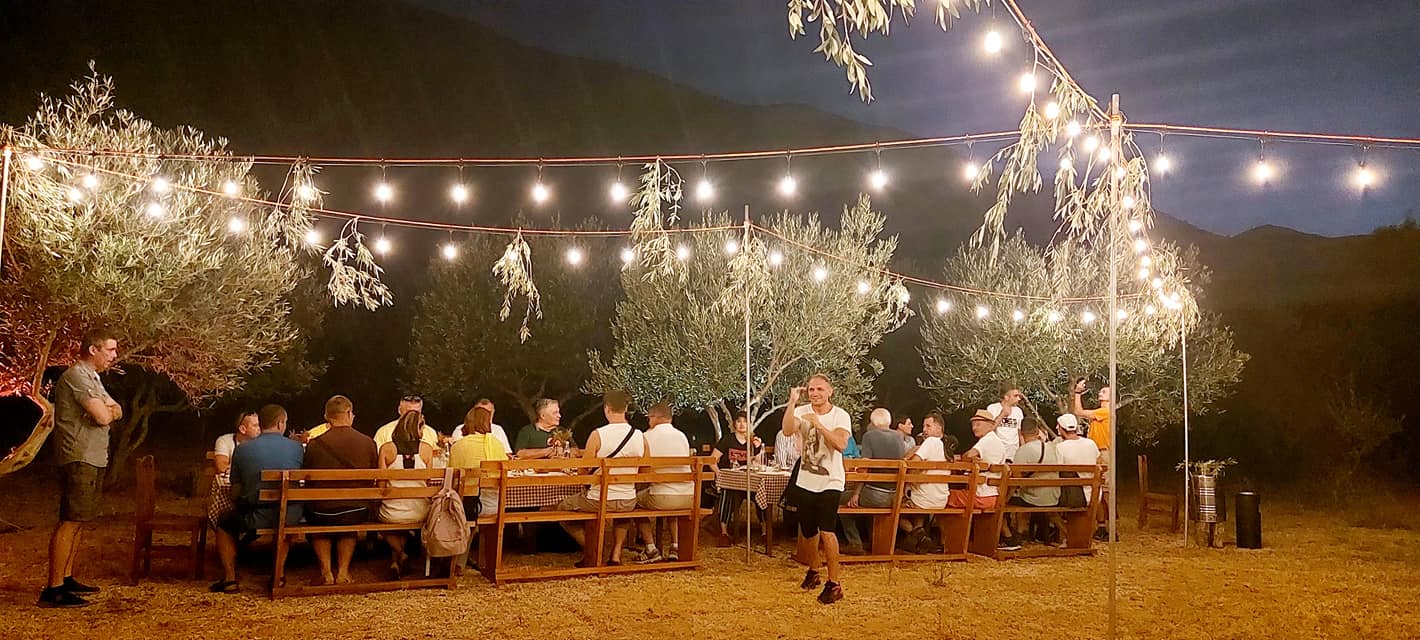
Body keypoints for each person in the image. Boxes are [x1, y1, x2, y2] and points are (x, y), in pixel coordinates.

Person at [40, 329, 121, 608]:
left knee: (80, 519)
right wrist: (106, 411)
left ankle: (66, 577)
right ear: (93, 350)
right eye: (110, 350)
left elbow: (117, 409)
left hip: (93, 456)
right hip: (79, 455)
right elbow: (103, 416)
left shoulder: (93, 378)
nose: (114, 356)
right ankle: (53, 588)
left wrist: (109, 411)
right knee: (70, 520)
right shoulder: (77, 376)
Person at [208, 404, 304, 593]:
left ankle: (230, 578)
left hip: (255, 514)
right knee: (285, 520)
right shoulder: (297, 448)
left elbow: (235, 490)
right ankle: (279, 574)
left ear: (262, 424)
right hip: (290, 515)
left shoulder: (243, 450)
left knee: (224, 522)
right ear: (280, 423)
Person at [782, 374, 852, 605]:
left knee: (827, 530)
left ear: (830, 391)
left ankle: (834, 584)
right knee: (808, 530)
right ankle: (813, 571)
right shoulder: (802, 411)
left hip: (831, 481)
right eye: (811, 389)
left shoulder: (840, 415)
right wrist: (792, 403)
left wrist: (819, 424)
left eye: (820, 389)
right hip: (806, 480)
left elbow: (841, 444)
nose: (815, 393)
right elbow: (787, 430)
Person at [553, 391, 645, 566]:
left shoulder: (598, 434)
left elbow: (583, 470)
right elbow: (645, 469)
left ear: (607, 408)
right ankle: (616, 554)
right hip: (628, 499)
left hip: (598, 499)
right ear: (626, 408)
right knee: (622, 514)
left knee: (563, 509)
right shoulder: (639, 435)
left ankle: (594, 550)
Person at [302, 395, 379, 585]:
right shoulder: (367, 442)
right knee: (347, 517)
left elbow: (307, 478)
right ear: (348, 413)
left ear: (326, 416)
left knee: (317, 520)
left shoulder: (314, 445)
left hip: (321, 511)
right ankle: (343, 571)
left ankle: (326, 571)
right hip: (356, 509)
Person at [633, 403, 694, 563]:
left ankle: (651, 548)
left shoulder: (647, 436)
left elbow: (642, 469)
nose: (648, 421)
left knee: (631, 502)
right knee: (672, 506)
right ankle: (675, 546)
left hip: (663, 497)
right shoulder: (682, 436)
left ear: (654, 417)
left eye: (649, 418)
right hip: (689, 496)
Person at [376, 410, 434, 578]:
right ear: (419, 428)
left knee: (379, 517)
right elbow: (428, 482)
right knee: (403, 518)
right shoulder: (427, 449)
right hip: (420, 512)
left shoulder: (386, 449)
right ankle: (397, 560)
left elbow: (381, 485)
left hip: (392, 512)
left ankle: (400, 555)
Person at [950, 409, 1017, 550]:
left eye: (978, 424)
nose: (974, 428)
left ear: (990, 425)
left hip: (981, 496)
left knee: (944, 497)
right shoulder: (995, 441)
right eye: (973, 425)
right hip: (993, 495)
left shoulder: (987, 440)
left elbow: (967, 456)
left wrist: (968, 458)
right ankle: (1007, 538)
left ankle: (950, 543)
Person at [840, 408, 904, 554]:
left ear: (873, 422)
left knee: (840, 499)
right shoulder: (899, 437)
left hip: (876, 495)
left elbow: (865, 468)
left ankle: (855, 543)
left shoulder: (869, 436)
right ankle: (873, 541)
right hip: (895, 496)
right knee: (865, 504)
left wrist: (856, 494)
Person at [898, 411, 951, 549]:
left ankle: (917, 534)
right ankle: (920, 539)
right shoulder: (945, 446)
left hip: (924, 500)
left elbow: (913, 463)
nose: (924, 430)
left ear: (939, 428)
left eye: (928, 426)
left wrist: (910, 458)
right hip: (941, 499)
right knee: (916, 495)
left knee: (891, 505)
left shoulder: (931, 441)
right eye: (923, 426)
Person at [712, 411, 764, 547]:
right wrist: (719, 474)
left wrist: (758, 449)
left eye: (745, 421)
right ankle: (724, 533)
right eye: (739, 421)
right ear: (734, 424)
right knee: (726, 493)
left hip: (748, 480)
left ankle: (765, 532)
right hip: (730, 480)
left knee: (762, 493)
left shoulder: (752, 441)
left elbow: (759, 464)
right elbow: (712, 460)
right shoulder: (727, 440)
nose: (742, 424)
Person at [1007, 418, 1061, 545]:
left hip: (1034, 499)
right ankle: (1068, 535)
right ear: (1037, 431)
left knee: (1018, 500)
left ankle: (1019, 534)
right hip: (1054, 496)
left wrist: (1006, 498)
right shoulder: (1051, 447)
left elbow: (1016, 479)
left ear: (1021, 433)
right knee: (1028, 496)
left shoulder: (1023, 450)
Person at [1071, 379, 1113, 539]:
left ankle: (1110, 527)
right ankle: (1103, 526)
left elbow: (1078, 411)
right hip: (1098, 451)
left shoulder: (1105, 411)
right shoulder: (1101, 412)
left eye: (1104, 391)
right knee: (1101, 490)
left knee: (1106, 491)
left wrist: (1077, 393)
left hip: (1103, 452)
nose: (1100, 393)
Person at [449, 404, 509, 517]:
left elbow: (452, 476)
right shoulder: (497, 444)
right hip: (495, 505)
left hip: (466, 507)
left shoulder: (459, 446)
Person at [1055, 413, 1105, 539]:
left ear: (1061, 429)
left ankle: (1066, 534)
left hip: (1073, 496)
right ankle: (1100, 527)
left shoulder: (1060, 447)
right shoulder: (1091, 443)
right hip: (1095, 493)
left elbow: (1058, 470)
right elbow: (1099, 461)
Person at [373, 394, 440, 450]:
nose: (412, 417)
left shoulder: (430, 433)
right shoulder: (384, 432)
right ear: (399, 410)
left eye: (416, 413)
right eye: (409, 413)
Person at [213, 410, 260, 476]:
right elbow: (221, 466)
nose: (259, 428)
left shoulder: (263, 442)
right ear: (242, 429)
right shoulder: (225, 440)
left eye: (260, 425)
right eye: (255, 426)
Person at [988, 385, 1026, 463]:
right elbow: (989, 430)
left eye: (1019, 396)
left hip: (1013, 452)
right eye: (1015, 396)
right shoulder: (992, 408)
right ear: (1006, 397)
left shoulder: (1018, 411)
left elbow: (1020, 434)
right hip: (997, 451)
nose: (1018, 399)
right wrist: (1002, 414)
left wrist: (1023, 450)